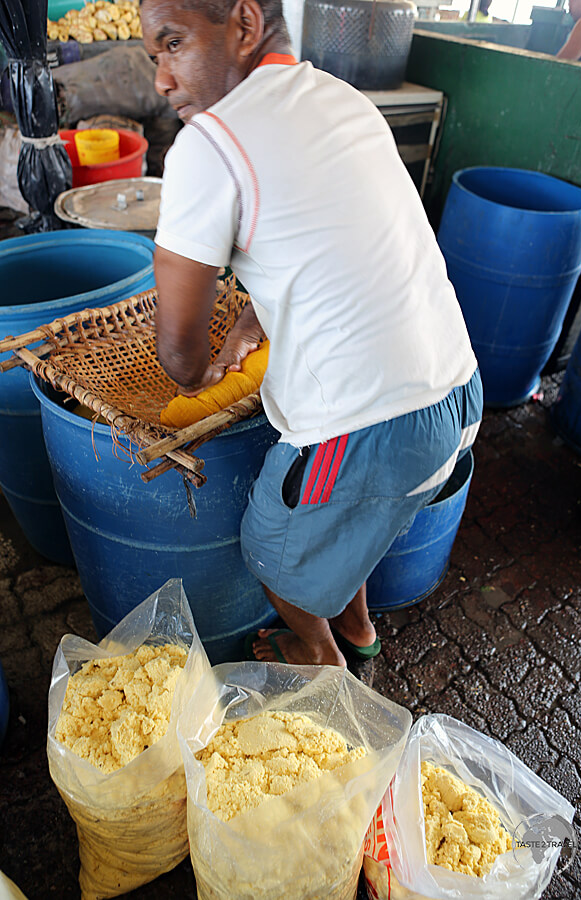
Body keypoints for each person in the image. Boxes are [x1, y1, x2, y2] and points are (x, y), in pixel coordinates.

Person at [140, 0, 483, 667]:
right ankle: (357, 631)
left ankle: (321, 658)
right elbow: (328, 243)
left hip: (370, 430)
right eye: (155, 55)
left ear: (242, 24)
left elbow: (179, 348)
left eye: (174, 43)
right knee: (339, 525)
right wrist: (248, 319)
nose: (162, 78)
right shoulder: (343, 100)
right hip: (458, 392)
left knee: (273, 549)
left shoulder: (210, 144)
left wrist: (197, 376)